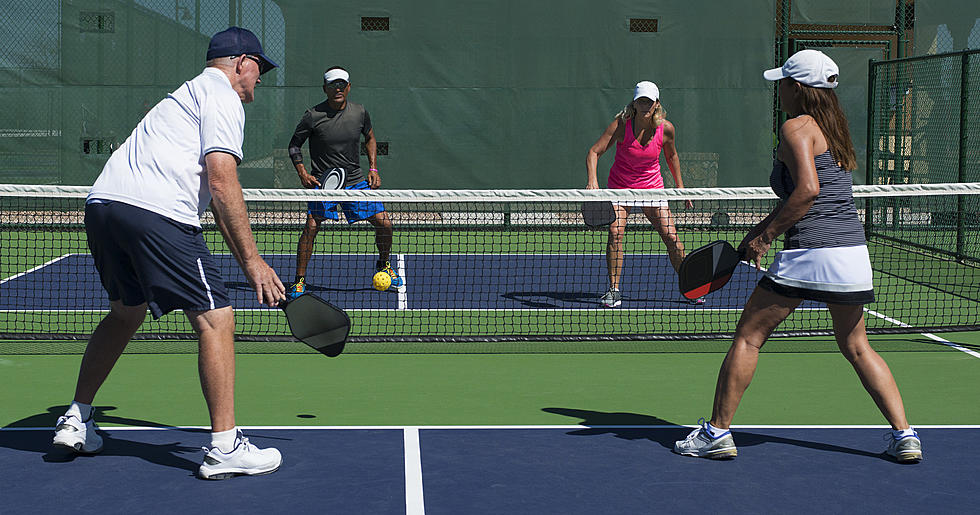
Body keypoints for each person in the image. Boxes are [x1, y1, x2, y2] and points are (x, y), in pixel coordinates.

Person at [52, 27, 288, 479]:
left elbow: (215, 201)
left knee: (125, 313)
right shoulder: (222, 96)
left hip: (103, 207)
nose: (261, 78)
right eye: (259, 67)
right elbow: (222, 183)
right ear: (240, 63)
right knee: (215, 318)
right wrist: (254, 261)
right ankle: (224, 447)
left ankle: (76, 418)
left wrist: (247, 260)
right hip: (156, 213)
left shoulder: (183, 96)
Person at [673, 50, 922, 463]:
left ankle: (716, 433)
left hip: (812, 251)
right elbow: (804, 196)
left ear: (799, 89)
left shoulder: (796, 128)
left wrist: (768, 236)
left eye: (783, 83)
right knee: (857, 345)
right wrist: (757, 232)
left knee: (749, 337)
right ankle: (905, 435)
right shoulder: (833, 129)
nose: (780, 90)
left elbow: (807, 191)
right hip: (852, 255)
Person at [285, 66, 403, 298]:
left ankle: (384, 264)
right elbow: (294, 145)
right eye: (332, 85)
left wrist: (373, 167)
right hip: (324, 184)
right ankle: (299, 281)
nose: (337, 89)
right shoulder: (313, 116)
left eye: (341, 84)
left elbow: (370, 137)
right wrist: (302, 173)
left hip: (355, 181)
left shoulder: (359, 112)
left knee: (385, 224)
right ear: (325, 88)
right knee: (310, 227)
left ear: (348, 87)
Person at [586, 81, 697, 308]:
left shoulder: (666, 129)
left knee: (672, 238)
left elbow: (672, 156)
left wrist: (680, 187)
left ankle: (691, 286)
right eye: (641, 101)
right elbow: (594, 152)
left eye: (649, 101)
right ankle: (614, 291)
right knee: (615, 233)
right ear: (635, 104)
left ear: (657, 104)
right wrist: (593, 182)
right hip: (620, 188)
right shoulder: (620, 125)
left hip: (652, 188)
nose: (645, 105)